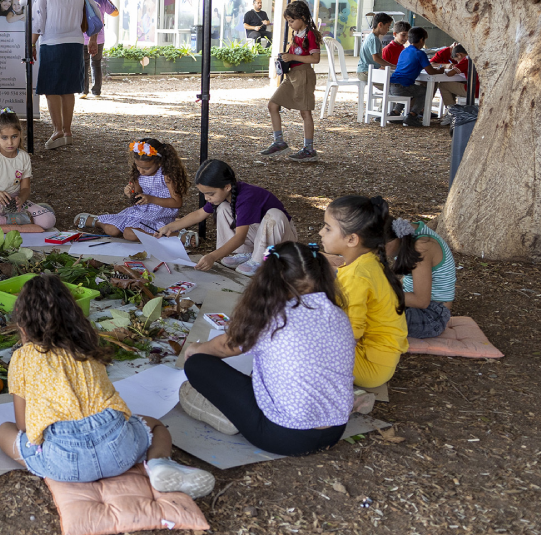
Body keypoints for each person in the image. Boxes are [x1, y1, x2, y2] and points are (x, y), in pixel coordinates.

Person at [0, 274, 215, 495]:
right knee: (156, 426)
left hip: (64, 462)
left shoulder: (22, 358)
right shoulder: (86, 344)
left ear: (23, 326)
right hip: (119, 450)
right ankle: (160, 464)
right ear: (74, 314)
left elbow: (22, 426)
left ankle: (54, 464)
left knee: (3, 430)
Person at [178, 242, 354, 456]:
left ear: (269, 278)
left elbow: (223, 347)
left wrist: (196, 348)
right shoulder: (337, 313)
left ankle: (226, 418)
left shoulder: (272, 317)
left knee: (197, 364)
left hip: (285, 437)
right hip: (335, 429)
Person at [319, 196, 409, 389]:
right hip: (377, 358)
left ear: (351, 239)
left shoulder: (358, 275)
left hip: (371, 366)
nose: (321, 232)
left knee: (299, 344)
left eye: (327, 228)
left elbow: (350, 334)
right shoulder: (365, 261)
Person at [158, 160, 297, 276]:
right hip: (259, 233)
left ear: (227, 187)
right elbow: (199, 214)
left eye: (210, 194)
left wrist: (213, 256)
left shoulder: (247, 198)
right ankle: (246, 253)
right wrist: (170, 227)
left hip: (281, 239)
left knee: (274, 215)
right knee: (223, 208)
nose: (207, 198)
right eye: (204, 194)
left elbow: (240, 237)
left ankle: (258, 260)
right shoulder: (225, 197)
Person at [32, 0, 100, 150]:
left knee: (52, 89)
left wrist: (31, 44)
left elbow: (39, 19)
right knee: (68, 89)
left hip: (51, 43)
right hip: (75, 43)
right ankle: (68, 130)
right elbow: (96, 13)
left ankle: (57, 130)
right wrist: (92, 39)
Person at [74, 139, 188, 241]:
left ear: (159, 162)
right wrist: (131, 193)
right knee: (111, 230)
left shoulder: (166, 175)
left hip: (160, 214)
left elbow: (177, 203)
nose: (141, 171)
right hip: (140, 211)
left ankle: (175, 236)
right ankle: (96, 221)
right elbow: (138, 195)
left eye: (146, 168)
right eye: (138, 166)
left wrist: (151, 199)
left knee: (129, 234)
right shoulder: (138, 173)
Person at [259, 1, 322, 162]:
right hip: (292, 74)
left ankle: (309, 149)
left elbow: (315, 58)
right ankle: (279, 141)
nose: (290, 24)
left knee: (305, 111)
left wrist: (293, 57)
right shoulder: (297, 33)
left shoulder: (310, 34)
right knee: (273, 104)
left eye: (291, 21)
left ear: (302, 17)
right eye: (288, 21)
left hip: (304, 75)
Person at [387, 217, 457, 339]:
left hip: (432, 315)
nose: (377, 252)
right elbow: (410, 278)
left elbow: (421, 301)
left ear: (391, 239)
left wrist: (378, 293)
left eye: (378, 247)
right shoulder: (406, 235)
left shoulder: (421, 247)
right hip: (413, 303)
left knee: (370, 316)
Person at [389, 27, 444, 127]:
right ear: (422, 40)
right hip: (403, 87)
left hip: (392, 85)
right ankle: (412, 115)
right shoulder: (420, 53)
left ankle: (396, 112)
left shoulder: (404, 51)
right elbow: (430, 71)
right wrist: (440, 70)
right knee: (425, 91)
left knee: (412, 89)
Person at [80, 0, 119, 100]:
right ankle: (96, 91)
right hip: (99, 38)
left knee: (84, 63)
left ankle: (83, 91)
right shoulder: (102, 1)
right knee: (96, 63)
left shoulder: (83, 0)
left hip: (83, 37)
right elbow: (115, 13)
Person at [356, 12, 394, 83]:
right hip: (366, 72)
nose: (388, 29)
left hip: (365, 71)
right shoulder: (374, 39)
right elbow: (376, 58)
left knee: (390, 76)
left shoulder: (371, 37)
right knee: (390, 83)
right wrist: (392, 66)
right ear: (380, 25)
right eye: (388, 26)